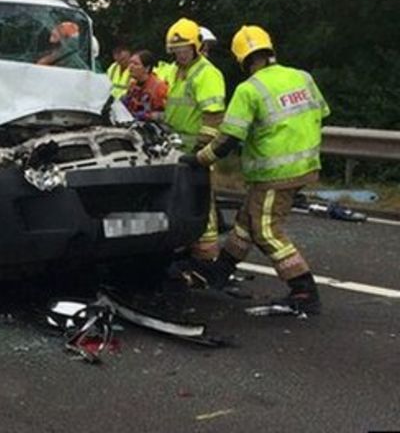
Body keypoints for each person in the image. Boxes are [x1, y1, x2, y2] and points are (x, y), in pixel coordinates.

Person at [179, 25, 328, 315]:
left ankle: (304, 290)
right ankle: (219, 273)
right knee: (246, 222)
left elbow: (228, 139)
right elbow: (320, 113)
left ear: (242, 59)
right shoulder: (303, 77)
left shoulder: (249, 90)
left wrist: (199, 159)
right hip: (305, 165)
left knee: (266, 230)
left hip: (274, 173)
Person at [164, 17, 226, 262]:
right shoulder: (172, 71)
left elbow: (214, 116)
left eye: (184, 49)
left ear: (196, 47)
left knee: (202, 199)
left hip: (196, 151)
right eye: (176, 51)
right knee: (180, 197)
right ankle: (184, 247)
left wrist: (202, 150)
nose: (180, 55)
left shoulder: (207, 74)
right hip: (174, 148)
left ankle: (206, 255)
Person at [121, 50, 168, 121]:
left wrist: (147, 116)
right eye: (130, 63)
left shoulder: (159, 87)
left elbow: (165, 115)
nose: (130, 67)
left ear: (147, 68)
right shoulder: (133, 85)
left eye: (136, 64)